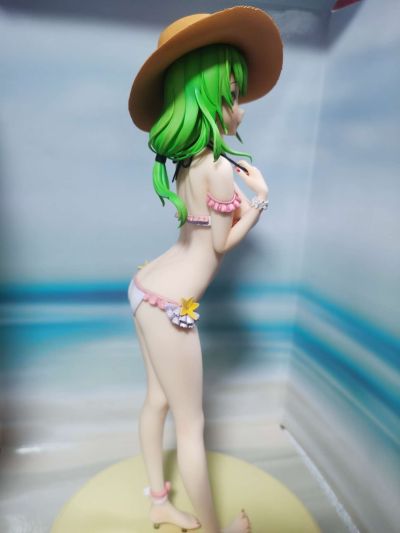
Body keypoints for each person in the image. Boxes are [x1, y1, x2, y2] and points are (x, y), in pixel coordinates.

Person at [127, 6, 283, 532]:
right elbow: (219, 246)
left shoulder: (189, 161)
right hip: (171, 307)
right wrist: (258, 202)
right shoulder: (216, 168)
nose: (241, 108)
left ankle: (158, 501)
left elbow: (195, 231)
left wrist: (236, 204)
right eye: (234, 94)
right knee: (191, 427)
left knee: (156, 401)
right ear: (208, 97)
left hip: (145, 286)